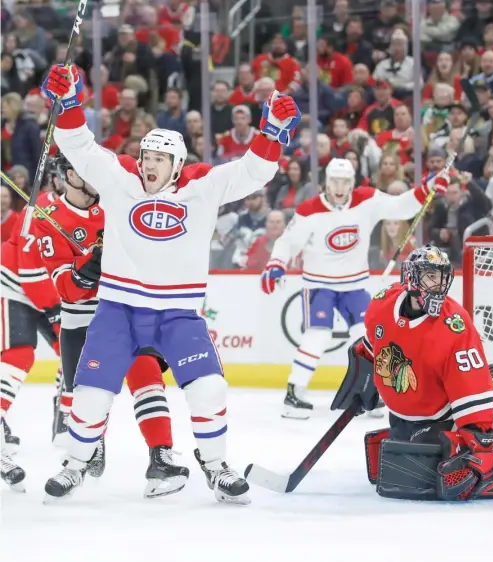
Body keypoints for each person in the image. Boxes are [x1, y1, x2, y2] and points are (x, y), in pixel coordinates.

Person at [40, 64, 301, 504]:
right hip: (119, 310)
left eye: (159, 159)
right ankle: (75, 465)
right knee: (88, 396)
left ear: (177, 164)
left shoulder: (201, 188)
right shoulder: (121, 179)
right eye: (145, 156)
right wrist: (68, 105)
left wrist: (270, 131)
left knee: (209, 388)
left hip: (178, 312)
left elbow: (253, 172)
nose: (148, 165)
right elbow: (80, 147)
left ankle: (216, 467)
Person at [333, 246, 493, 501]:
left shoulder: (454, 324)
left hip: (440, 417)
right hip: (401, 416)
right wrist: (362, 381)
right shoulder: (382, 303)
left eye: (443, 277)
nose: (439, 285)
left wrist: (481, 442)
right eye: (431, 276)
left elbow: (472, 385)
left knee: (426, 478)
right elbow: (372, 345)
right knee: (387, 468)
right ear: (411, 277)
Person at [33, 154, 187, 499]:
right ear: (71, 175)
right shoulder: (49, 219)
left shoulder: (116, 203)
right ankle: (84, 455)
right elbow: (67, 289)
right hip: (83, 319)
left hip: (124, 310)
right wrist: (91, 263)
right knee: (88, 395)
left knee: (147, 376)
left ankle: (161, 456)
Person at [260, 158, 450, 419]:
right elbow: (287, 242)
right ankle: (294, 393)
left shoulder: (367, 199)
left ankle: (373, 391)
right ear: (326, 181)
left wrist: (425, 189)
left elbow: (399, 207)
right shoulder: (309, 210)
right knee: (317, 336)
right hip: (319, 285)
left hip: (354, 284)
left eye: (345, 182)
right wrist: (276, 263)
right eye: (335, 181)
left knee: (370, 336)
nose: (339, 187)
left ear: (353, 182)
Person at [1, 185, 64, 492]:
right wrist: (55, 310)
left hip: (50, 294)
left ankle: (65, 415)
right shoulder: (36, 212)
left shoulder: (98, 210)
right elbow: (29, 271)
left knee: (73, 353)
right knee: (19, 354)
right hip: (13, 285)